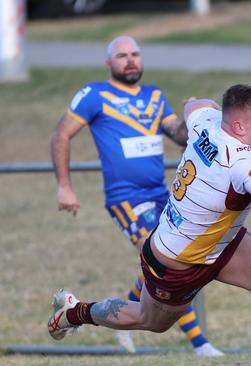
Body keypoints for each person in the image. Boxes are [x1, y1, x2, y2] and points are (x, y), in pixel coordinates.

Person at [48, 84, 251, 366]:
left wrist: (204, 104)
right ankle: (75, 312)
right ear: (237, 126)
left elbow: (196, 103)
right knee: (149, 320)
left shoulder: (207, 122)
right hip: (176, 262)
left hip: (224, 243)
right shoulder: (243, 163)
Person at [50, 35, 223, 357]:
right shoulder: (95, 95)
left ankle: (119, 316)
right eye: (122, 55)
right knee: (170, 263)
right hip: (126, 198)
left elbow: (181, 136)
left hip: (163, 194)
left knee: (170, 260)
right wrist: (65, 186)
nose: (130, 60)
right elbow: (61, 134)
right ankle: (201, 344)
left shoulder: (154, 96)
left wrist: (201, 115)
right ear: (108, 63)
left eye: (135, 54)